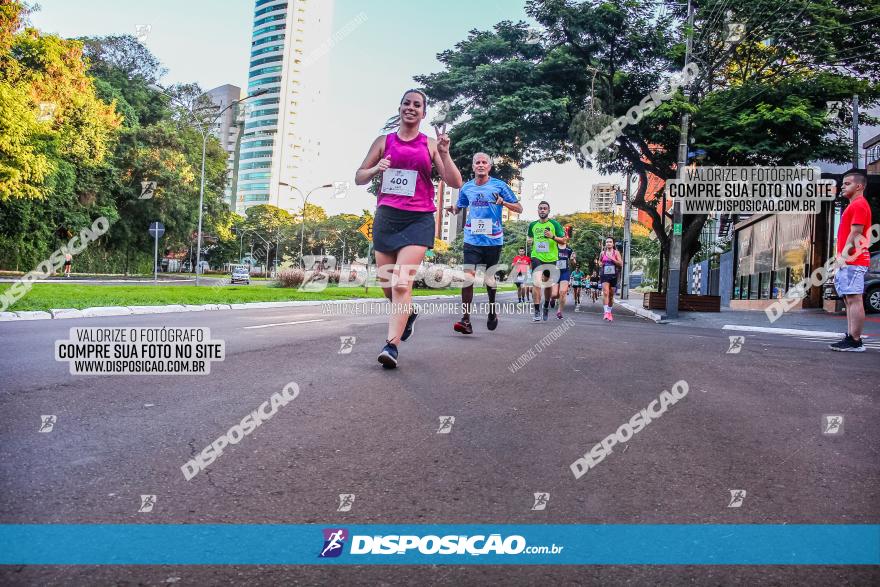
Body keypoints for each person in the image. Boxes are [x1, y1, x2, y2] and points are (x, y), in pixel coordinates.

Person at [356, 89, 463, 368]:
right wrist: (376, 168)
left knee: (402, 282)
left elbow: (454, 182)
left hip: (418, 219)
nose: (411, 108)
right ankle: (410, 313)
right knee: (387, 285)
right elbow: (358, 177)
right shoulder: (384, 141)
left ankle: (391, 346)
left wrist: (445, 154)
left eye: (417, 105)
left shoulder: (429, 145)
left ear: (424, 113)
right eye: (407, 103)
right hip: (387, 218)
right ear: (400, 107)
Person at [446, 153, 523, 334]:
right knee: (468, 277)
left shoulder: (499, 186)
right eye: (477, 163)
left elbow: (519, 208)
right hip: (471, 238)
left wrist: (503, 202)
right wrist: (454, 209)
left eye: (484, 162)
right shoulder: (467, 187)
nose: (480, 165)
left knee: (489, 277)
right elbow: (460, 206)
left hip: (493, 239)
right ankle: (466, 320)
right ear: (473, 167)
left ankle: (492, 309)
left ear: (489, 166)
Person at [829, 170, 873, 352]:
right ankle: (851, 337)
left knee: (854, 298)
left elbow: (856, 233)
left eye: (847, 184)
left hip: (853, 260)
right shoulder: (853, 206)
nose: (843, 187)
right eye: (843, 184)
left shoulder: (859, 205)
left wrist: (843, 257)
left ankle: (855, 340)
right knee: (849, 299)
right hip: (850, 261)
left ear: (859, 186)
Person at [526, 201, 567, 321]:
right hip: (536, 256)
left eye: (545, 208)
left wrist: (552, 237)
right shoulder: (533, 225)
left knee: (548, 284)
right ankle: (537, 310)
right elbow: (530, 237)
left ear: (548, 211)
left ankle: (546, 305)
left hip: (551, 258)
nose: (542, 210)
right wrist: (529, 241)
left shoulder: (555, 224)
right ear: (537, 210)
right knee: (536, 282)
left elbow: (564, 241)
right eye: (540, 208)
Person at [552, 225, 574, 319]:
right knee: (554, 294)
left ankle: (559, 311)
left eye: (564, 235)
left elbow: (573, 262)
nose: (562, 237)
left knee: (563, 292)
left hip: (565, 272)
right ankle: (552, 299)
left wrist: (573, 259)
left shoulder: (569, 249)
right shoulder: (553, 247)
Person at [599, 237, 623, 321]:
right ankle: (606, 312)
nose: (608, 243)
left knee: (611, 295)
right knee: (605, 292)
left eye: (610, 242)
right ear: (605, 244)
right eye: (607, 242)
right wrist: (600, 264)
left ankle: (609, 312)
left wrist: (612, 258)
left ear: (613, 244)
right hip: (604, 274)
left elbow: (620, 264)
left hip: (614, 275)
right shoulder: (602, 253)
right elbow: (600, 261)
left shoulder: (616, 253)